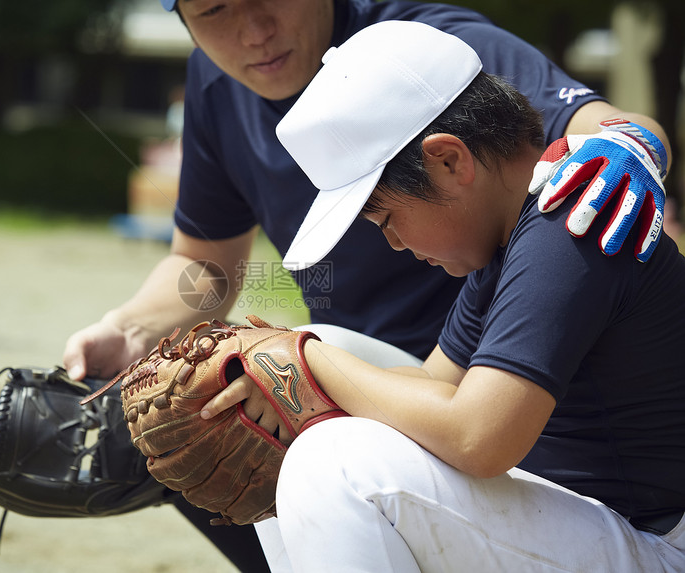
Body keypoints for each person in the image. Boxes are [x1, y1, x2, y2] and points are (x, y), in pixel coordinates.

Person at [63, 1, 673, 570]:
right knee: (299, 417)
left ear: (450, 160)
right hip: (570, 499)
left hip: (652, 536)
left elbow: (478, 437)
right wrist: (260, 357)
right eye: (215, 10)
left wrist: (303, 358)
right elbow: (435, 383)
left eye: (383, 217)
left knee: (334, 466)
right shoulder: (499, 240)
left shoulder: (568, 221)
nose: (394, 243)